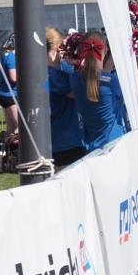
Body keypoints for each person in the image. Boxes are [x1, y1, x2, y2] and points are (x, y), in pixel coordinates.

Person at [70, 32, 127, 151]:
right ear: (105, 50)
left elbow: (95, 78)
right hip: (113, 144)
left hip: (91, 147)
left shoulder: (74, 79)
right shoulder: (113, 81)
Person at [45, 27, 86, 170]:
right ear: (57, 48)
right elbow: (81, 92)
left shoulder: (61, 69)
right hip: (64, 140)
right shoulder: (52, 75)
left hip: (70, 137)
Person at [0, 40, 18, 136]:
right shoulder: (11, 57)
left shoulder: (9, 56)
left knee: (12, 129)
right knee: (22, 127)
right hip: (9, 95)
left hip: (7, 94)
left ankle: (5, 149)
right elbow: (14, 78)